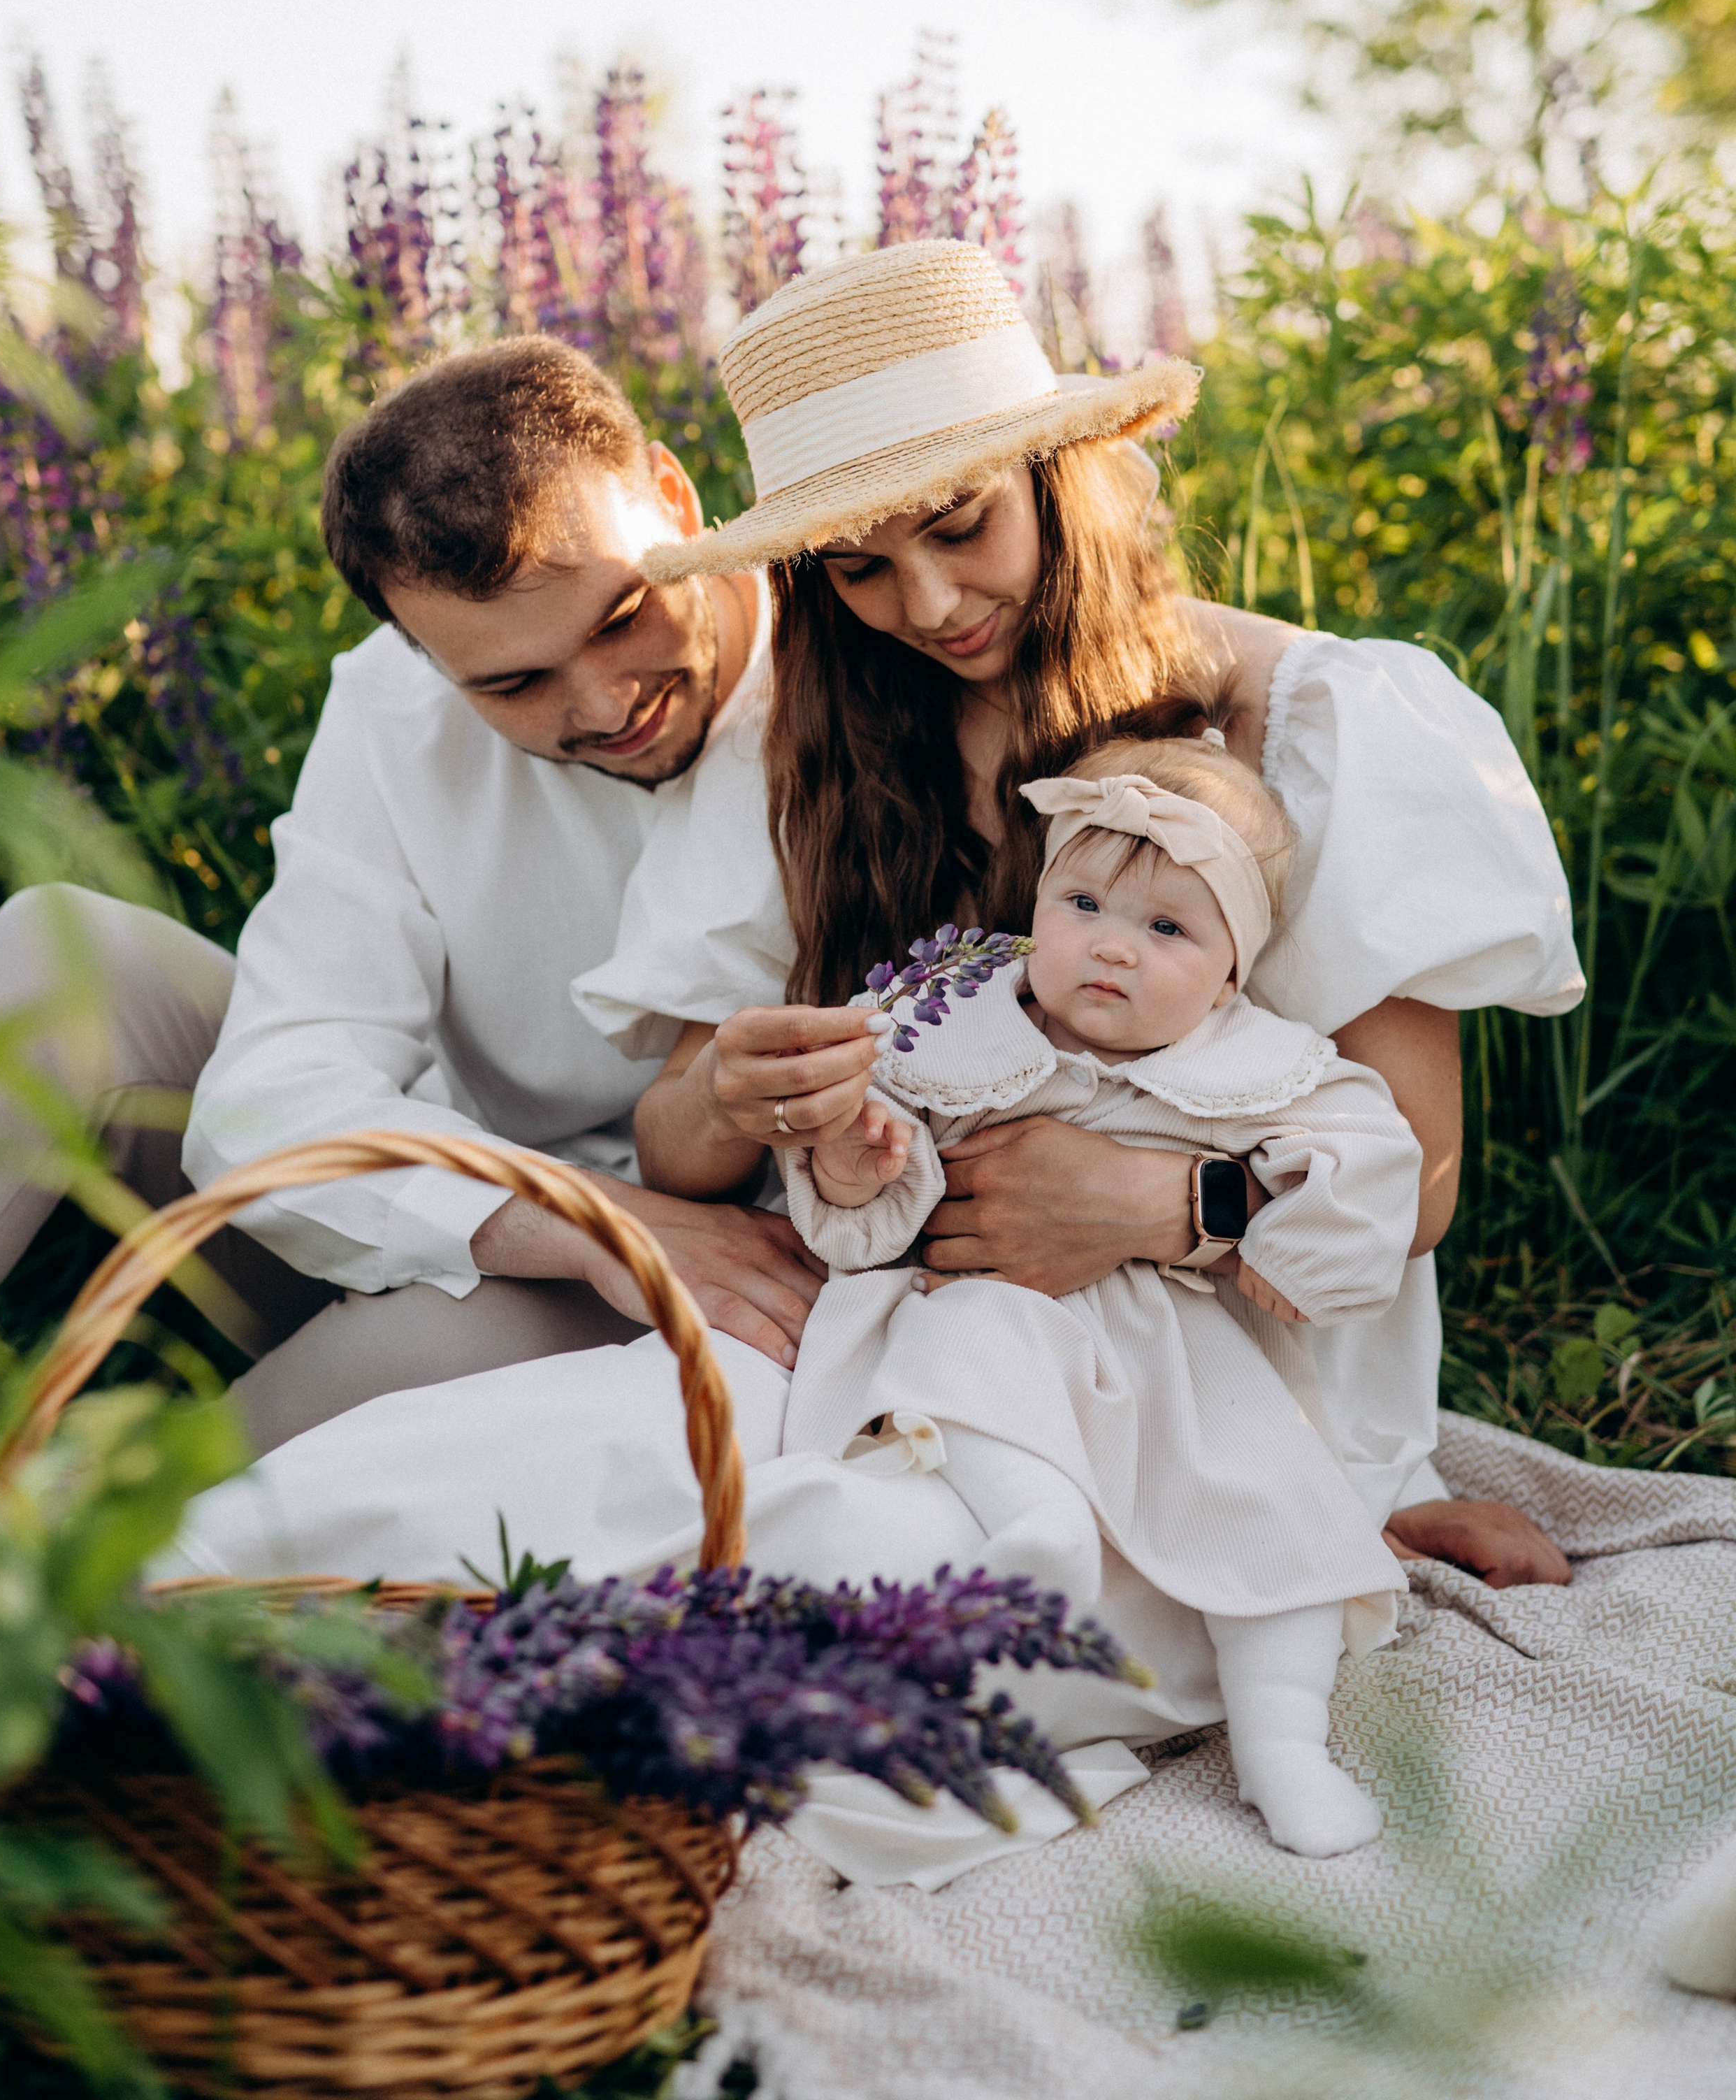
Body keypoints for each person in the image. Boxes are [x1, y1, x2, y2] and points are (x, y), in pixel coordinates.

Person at [578, 236, 1586, 1585]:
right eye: (859, 570)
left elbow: (1420, 1181)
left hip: (1245, 1398)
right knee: (587, 1507)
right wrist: (737, 1100)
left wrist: (1158, 1200)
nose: (926, 605)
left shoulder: (1321, 719)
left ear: (1062, 480)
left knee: (848, 1589)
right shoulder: (814, 753)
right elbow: (670, 1145)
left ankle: (1324, 1518)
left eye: (958, 526)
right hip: (920, 1359)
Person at [0, 339, 821, 1446]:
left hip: (721, 1287)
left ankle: (65, 1529)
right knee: (63, 954)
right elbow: (270, 1093)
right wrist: (586, 1222)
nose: (605, 703)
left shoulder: (850, 661)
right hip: (461, 1210)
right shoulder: (393, 714)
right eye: (513, 682)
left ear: (672, 494)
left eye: (621, 615)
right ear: (419, 651)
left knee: (429, 1361)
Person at [767, 735, 1427, 1857]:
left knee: (1282, 1518)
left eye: (1167, 928)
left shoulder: (1263, 1067)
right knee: (985, 1369)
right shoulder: (957, 1026)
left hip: (1184, 1356)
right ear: (1039, 903)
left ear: (1230, 970)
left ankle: (1284, 1747)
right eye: (1082, 903)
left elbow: (1374, 1190)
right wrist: (859, 1157)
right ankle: (1039, 1537)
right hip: (1000, 1305)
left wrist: (1278, 1195)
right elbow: (869, 1219)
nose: (1111, 947)